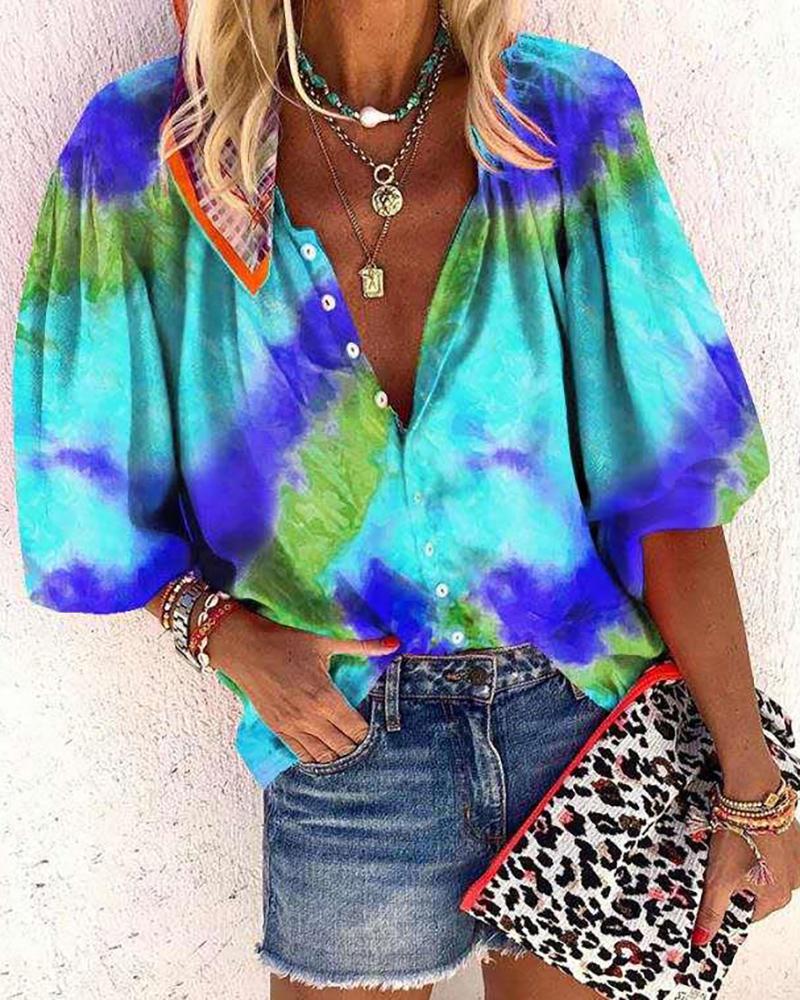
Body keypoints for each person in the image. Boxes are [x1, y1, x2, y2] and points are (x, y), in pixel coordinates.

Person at [12, 0, 799, 997]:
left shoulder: (565, 117)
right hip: (346, 739)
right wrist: (224, 635)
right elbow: (86, 498)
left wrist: (753, 785)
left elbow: (668, 483)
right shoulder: (147, 152)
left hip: (584, 718)